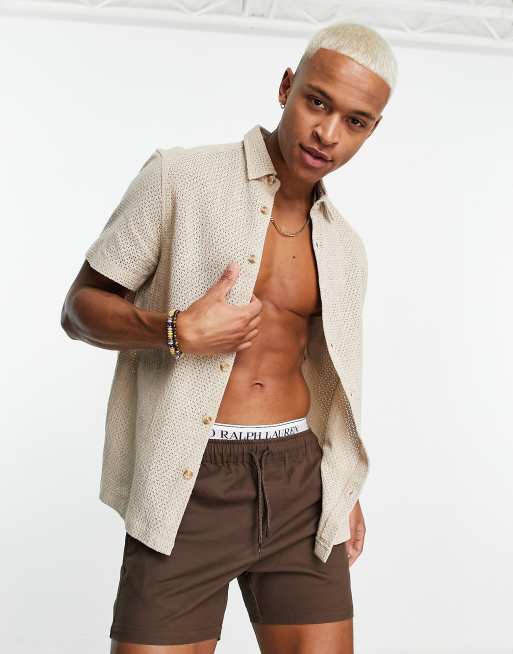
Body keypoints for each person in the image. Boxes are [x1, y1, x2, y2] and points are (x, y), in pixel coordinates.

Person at [61, 21, 397, 654]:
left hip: (303, 484)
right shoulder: (181, 179)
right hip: (190, 482)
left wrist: (341, 486)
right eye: (317, 102)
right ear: (287, 87)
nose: (327, 133)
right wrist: (172, 330)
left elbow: (324, 378)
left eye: (354, 121)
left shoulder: (345, 247)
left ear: (370, 130)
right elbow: (79, 309)